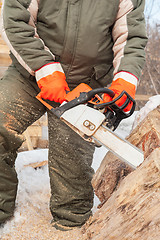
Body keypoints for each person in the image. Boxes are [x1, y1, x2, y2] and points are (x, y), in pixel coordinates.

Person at [0, 0, 147, 231]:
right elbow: (16, 21)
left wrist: (125, 78)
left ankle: (71, 226)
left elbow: (131, 37)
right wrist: (44, 67)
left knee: (73, 165)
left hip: (88, 81)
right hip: (30, 74)